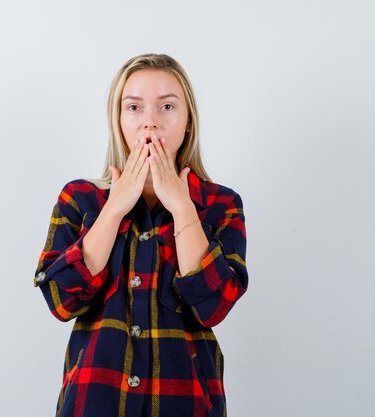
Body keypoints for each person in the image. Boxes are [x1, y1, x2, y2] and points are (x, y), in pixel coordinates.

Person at [32, 53, 248, 417]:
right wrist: (115, 207)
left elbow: (214, 307)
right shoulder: (80, 198)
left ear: (188, 120)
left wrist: (182, 208)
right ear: (118, 119)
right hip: (94, 401)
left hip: (186, 404)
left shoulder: (220, 204)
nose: (150, 123)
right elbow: (61, 300)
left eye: (167, 106)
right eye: (134, 107)